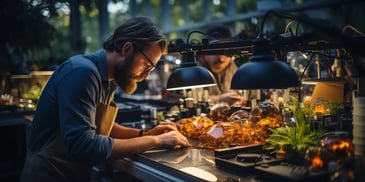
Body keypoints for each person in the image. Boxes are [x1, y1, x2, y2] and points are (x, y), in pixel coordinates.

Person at [20, 17, 190, 181]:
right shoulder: (82, 73)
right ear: (127, 49)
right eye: (147, 65)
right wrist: (155, 140)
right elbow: (84, 145)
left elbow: (98, 126)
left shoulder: (106, 79)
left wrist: (144, 133)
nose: (146, 75)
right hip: (49, 175)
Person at [198, 25, 242, 105]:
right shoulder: (194, 72)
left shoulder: (233, 68)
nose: (221, 58)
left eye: (226, 52)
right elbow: (190, 99)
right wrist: (219, 99)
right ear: (205, 52)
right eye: (216, 52)